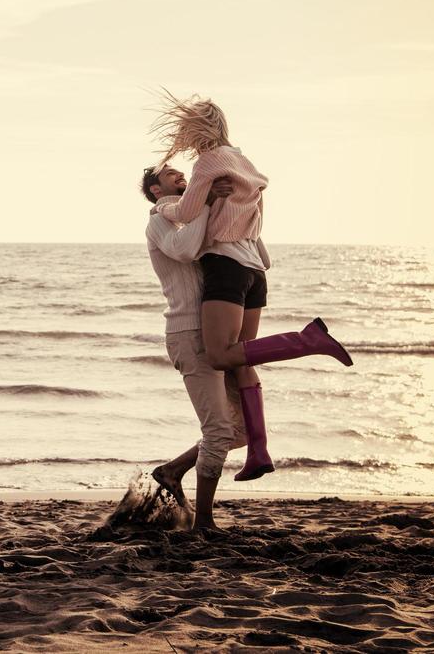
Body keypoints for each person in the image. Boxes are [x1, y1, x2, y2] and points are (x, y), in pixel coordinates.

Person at [151, 95, 354, 485]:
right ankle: (258, 452)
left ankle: (308, 340)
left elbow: (188, 212)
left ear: (197, 129)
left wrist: (162, 208)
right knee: (242, 361)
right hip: (255, 270)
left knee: (220, 354)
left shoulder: (209, 163)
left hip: (226, 267)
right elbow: (257, 220)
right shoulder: (245, 164)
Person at [142, 163, 244, 534]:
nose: (180, 174)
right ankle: (204, 522)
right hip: (189, 332)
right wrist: (202, 206)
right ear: (156, 190)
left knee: (242, 430)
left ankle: (171, 471)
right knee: (218, 430)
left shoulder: (191, 218)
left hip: (218, 331)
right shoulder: (158, 221)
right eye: (170, 174)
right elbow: (184, 252)